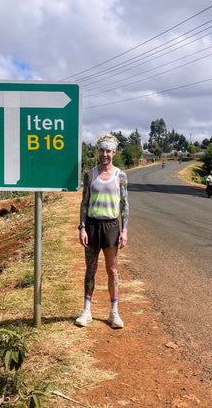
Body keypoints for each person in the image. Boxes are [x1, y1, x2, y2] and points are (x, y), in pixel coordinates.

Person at [75, 134, 129, 329]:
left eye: (108, 151)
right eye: (102, 150)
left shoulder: (120, 176)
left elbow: (125, 205)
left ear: (114, 152)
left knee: (112, 270)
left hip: (111, 227)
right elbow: (84, 203)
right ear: (98, 151)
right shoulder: (90, 175)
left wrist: (124, 230)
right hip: (91, 225)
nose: (104, 154)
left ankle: (114, 313)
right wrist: (82, 227)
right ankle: (86, 311)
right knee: (91, 269)